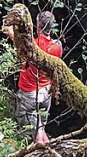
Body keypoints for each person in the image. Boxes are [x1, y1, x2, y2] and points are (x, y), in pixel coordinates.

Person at [7, 11, 62, 145]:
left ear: (37, 25)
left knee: (30, 132)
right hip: (46, 92)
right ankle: (49, 154)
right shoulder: (58, 46)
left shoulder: (33, 45)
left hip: (29, 94)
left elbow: (20, 42)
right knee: (41, 127)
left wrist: (9, 30)